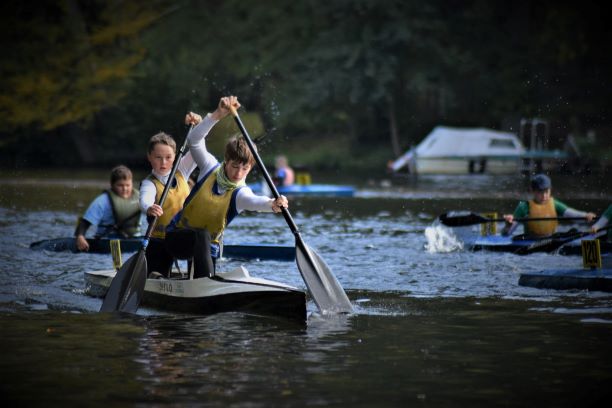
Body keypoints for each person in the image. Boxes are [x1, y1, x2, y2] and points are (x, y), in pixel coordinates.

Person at [164, 95, 288, 279]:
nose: (238, 173)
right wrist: (217, 115)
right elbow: (194, 140)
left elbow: (255, 201)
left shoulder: (240, 193)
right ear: (226, 161)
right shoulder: (209, 166)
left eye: (244, 168)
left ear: (251, 167)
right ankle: (203, 282)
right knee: (202, 235)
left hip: (206, 249)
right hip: (177, 239)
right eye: (234, 166)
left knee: (205, 239)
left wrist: (272, 204)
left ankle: (203, 283)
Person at [139, 130, 198, 278]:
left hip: (184, 237)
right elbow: (144, 200)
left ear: (175, 157)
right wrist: (149, 207)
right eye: (158, 157)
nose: (163, 162)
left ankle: (199, 278)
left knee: (200, 238)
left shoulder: (183, 170)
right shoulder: (149, 183)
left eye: (168, 157)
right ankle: (155, 276)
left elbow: (198, 143)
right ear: (149, 157)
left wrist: (204, 121)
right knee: (156, 275)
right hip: (160, 240)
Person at [502, 173, 596, 237]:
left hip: (551, 240)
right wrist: (508, 225)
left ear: (550, 190)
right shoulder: (523, 207)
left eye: (547, 192)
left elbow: (574, 215)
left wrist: (586, 216)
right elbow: (507, 234)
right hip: (530, 241)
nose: (544, 196)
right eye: (540, 192)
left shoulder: (555, 204)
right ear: (533, 191)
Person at [74, 165, 142, 251]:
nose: (125, 189)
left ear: (132, 183)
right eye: (120, 185)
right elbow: (85, 222)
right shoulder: (102, 201)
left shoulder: (141, 198)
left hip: (134, 239)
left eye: (128, 185)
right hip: (108, 241)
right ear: (112, 185)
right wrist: (80, 237)